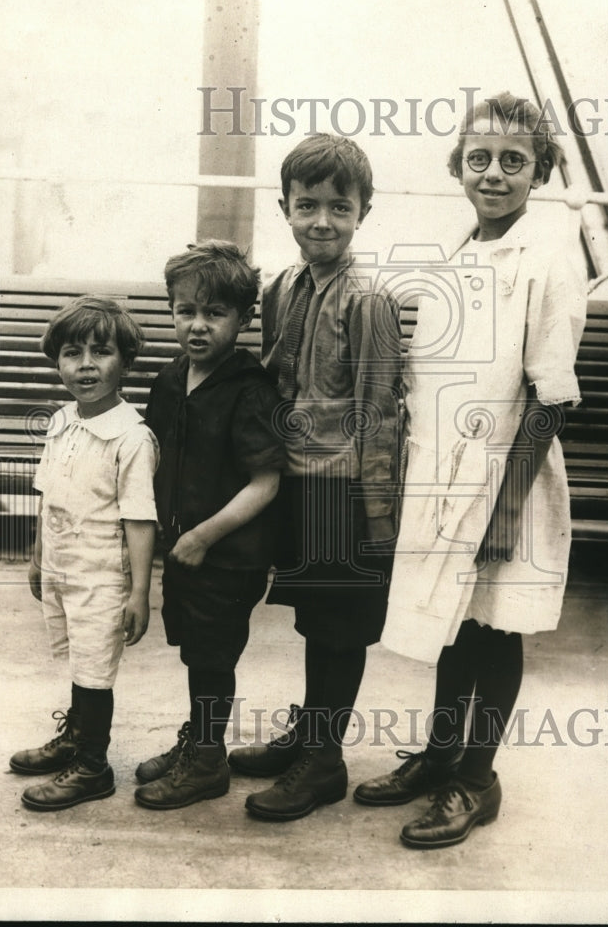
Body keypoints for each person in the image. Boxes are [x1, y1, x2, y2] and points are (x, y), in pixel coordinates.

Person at [355, 92, 586, 849]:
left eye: (513, 161)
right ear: (458, 165)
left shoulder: (550, 257)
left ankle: (476, 777)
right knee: (452, 625)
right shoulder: (456, 254)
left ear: (539, 170)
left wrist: (509, 509)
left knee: (494, 627)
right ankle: (440, 753)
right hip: (440, 478)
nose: (494, 173)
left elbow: (550, 396)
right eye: (480, 158)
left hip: (505, 480)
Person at [227, 133, 403, 821]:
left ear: (364, 211)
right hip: (297, 484)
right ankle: (308, 732)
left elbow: (380, 410)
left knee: (339, 627)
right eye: (307, 205)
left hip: (346, 490)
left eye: (339, 206)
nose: (321, 220)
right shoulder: (282, 286)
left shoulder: (368, 298)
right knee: (312, 619)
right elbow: (276, 380)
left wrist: (380, 517)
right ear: (285, 208)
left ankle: (323, 762)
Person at [133, 241, 285, 810]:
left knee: (213, 656)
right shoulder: (170, 380)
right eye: (185, 311)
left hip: (227, 554)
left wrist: (202, 536)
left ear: (242, 319)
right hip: (183, 550)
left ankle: (207, 762)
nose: (197, 326)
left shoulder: (249, 389)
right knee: (196, 651)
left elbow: (266, 483)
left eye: (214, 314)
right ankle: (199, 740)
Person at [10, 296, 159, 811]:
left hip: (101, 576)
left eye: (102, 352)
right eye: (73, 353)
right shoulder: (60, 420)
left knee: (96, 669)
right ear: (58, 362)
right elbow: (48, 494)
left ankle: (93, 766)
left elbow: (140, 518)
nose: (86, 365)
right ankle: (74, 738)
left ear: (125, 362)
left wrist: (139, 592)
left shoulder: (132, 437)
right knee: (79, 660)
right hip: (61, 567)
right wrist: (37, 556)